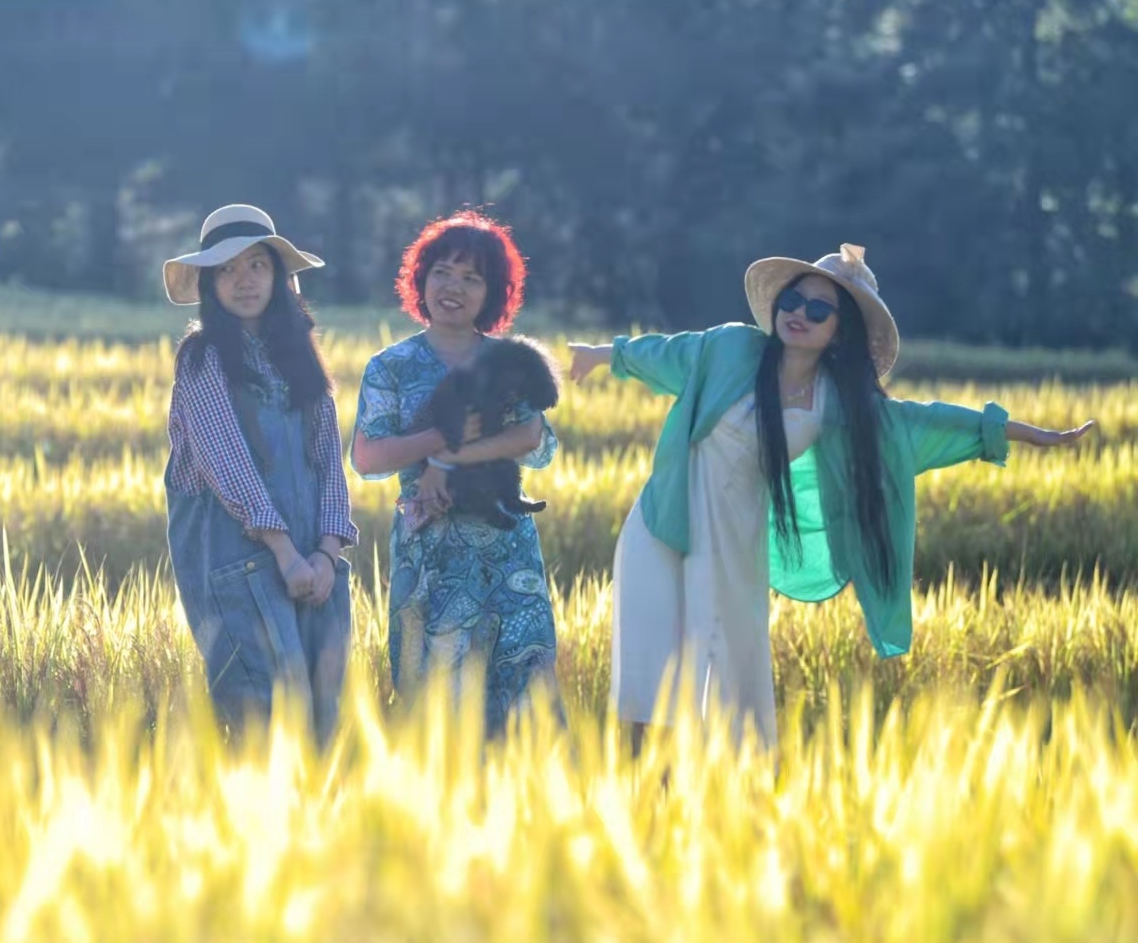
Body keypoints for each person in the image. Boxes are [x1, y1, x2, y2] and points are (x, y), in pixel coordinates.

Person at [569, 244, 1095, 751]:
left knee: (722, 679)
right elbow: (663, 353)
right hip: (664, 528)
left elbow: (924, 422)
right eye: (794, 301)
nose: (800, 313)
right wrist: (599, 355)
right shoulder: (730, 348)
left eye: (819, 309)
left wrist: (1026, 434)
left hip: (734, 547)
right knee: (650, 678)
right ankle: (643, 804)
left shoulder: (841, 406)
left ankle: (709, 813)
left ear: (840, 331)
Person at [350, 211, 562, 735]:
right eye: (443, 271)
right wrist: (438, 441)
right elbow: (368, 457)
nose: (455, 287)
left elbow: (531, 437)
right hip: (429, 550)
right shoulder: (390, 367)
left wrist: (446, 462)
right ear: (421, 278)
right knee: (435, 702)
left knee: (524, 693)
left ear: (492, 293)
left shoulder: (508, 359)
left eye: (473, 278)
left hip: (505, 548)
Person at [161, 204, 357, 743]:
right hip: (242, 569)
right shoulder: (202, 360)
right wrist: (287, 554)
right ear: (208, 284)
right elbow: (229, 468)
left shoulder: (299, 357)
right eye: (226, 269)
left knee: (323, 727)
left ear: (279, 276)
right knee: (264, 725)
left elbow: (328, 463)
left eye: (256, 265)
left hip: (314, 568)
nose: (243, 280)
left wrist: (326, 554)